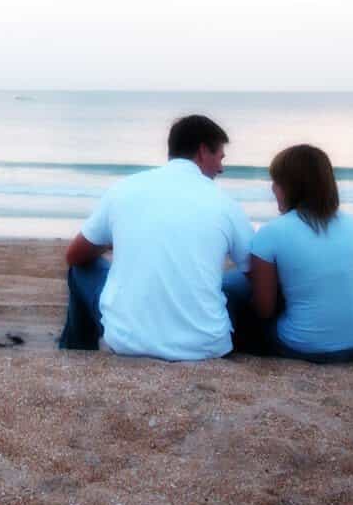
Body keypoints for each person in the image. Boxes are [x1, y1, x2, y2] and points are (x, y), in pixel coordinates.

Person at [58, 114, 255, 361]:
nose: (221, 168)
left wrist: (112, 241)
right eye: (219, 157)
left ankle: (76, 353)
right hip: (205, 346)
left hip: (127, 341)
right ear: (203, 151)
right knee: (240, 278)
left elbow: (74, 255)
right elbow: (256, 274)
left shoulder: (125, 189)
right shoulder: (227, 204)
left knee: (81, 269)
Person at [243, 144, 353, 363]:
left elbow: (264, 311)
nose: (272, 189)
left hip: (306, 346)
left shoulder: (271, 232)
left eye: (276, 182)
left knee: (237, 295)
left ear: (290, 186)